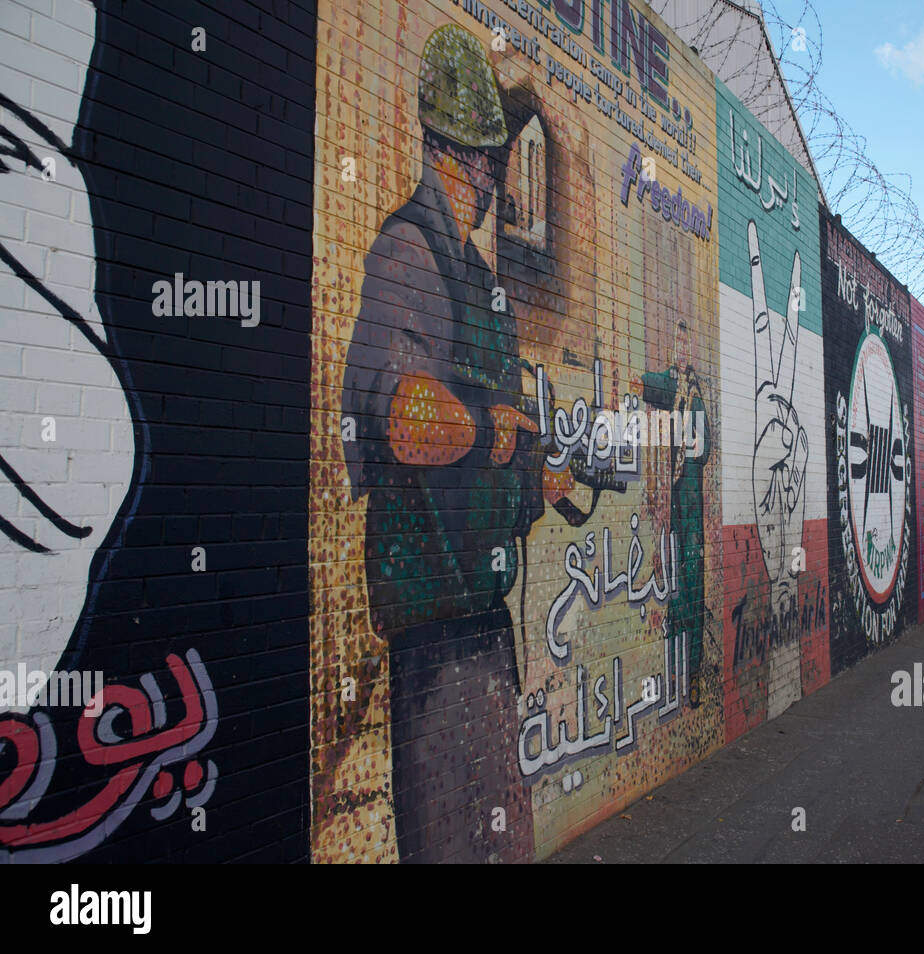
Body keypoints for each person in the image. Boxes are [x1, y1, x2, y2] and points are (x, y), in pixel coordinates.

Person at [341, 24, 540, 863]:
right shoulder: (407, 255)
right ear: (435, 148)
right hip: (438, 634)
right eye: (474, 157)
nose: (487, 179)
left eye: (493, 160)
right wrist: (491, 427)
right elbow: (406, 420)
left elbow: (500, 442)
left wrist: (543, 473)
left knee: (499, 836)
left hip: (479, 616)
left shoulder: (473, 277)